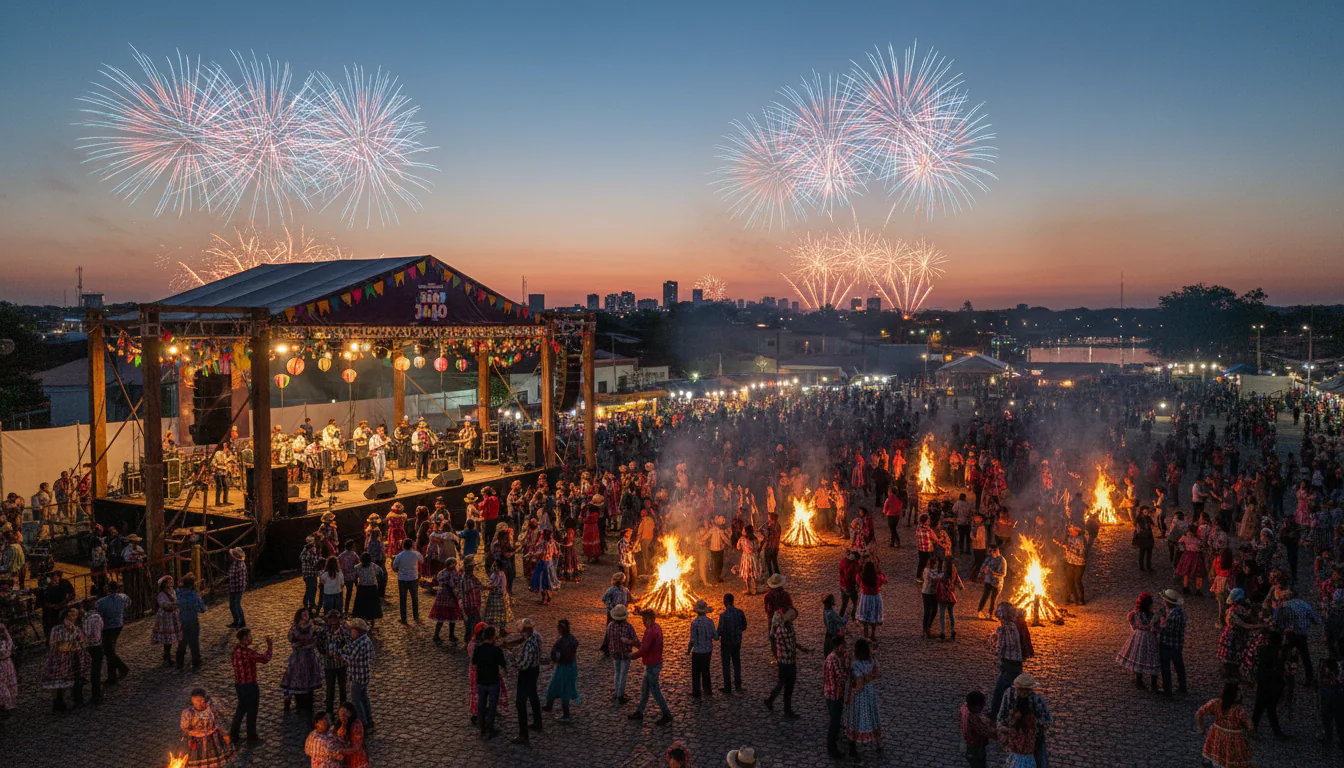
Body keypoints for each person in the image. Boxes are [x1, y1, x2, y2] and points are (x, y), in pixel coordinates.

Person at [996, 673, 1052, 768]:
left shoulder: (1036, 700)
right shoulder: (1008, 694)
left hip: (1032, 741)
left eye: (1027, 690)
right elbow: (1001, 716)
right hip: (1015, 743)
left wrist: (1030, 726)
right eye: (1023, 689)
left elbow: (1048, 721)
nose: (1025, 692)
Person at [628, 608, 673, 725]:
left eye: (645, 619)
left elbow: (644, 649)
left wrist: (632, 656)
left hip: (652, 664)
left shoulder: (649, 632)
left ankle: (667, 714)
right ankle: (639, 711)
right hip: (655, 662)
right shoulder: (657, 628)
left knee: (655, 690)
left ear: (650, 619)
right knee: (645, 689)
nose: (643, 622)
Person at [41, 607, 90, 712]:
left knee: (69, 679)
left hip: (72, 656)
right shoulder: (58, 629)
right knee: (60, 680)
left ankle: (66, 701)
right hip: (60, 657)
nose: (73, 618)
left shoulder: (75, 629)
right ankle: (59, 701)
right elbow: (53, 644)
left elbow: (82, 642)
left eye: (74, 616)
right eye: (70, 616)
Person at [1195, 681, 1253, 768]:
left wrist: (1200, 727)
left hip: (1216, 736)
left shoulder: (1216, 703)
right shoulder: (1239, 710)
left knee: (1216, 761)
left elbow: (1199, 713)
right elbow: (1250, 726)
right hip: (1234, 740)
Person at [228, 627, 272, 743]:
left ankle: (234, 734)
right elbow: (265, 658)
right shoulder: (248, 653)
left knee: (241, 709)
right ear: (245, 639)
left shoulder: (235, 650)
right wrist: (270, 645)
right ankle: (252, 737)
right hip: (250, 685)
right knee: (252, 711)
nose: (251, 639)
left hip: (239, 685)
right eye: (250, 637)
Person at [843, 638, 883, 757]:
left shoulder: (856, 664)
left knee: (856, 718)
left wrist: (854, 689)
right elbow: (877, 673)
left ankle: (853, 744)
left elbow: (859, 683)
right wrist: (868, 679)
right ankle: (877, 743)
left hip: (859, 696)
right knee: (872, 715)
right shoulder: (872, 661)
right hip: (870, 692)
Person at [766, 607, 808, 719]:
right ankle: (786, 711)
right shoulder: (781, 630)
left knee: (784, 684)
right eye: (792, 617)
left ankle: (771, 701)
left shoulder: (789, 627)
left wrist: (802, 649)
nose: (793, 619)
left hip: (790, 660)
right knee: (787, 686)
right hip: (785, 662)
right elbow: (789, 645)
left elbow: (793, 642)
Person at [508, 617, 544, 746]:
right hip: (535, 669)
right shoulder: (536, 636)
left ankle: (523, 734)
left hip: (527, 674)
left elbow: (523, 665)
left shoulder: (529, 645)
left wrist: (512, 660)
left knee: (520, 703)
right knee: (533, 695)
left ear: (525, 633)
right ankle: (537, 722)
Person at [281, 608, 324, 712]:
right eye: (304, 614)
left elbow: (315, 639)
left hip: (309, 656)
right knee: (296, 678)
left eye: (307, 614)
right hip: (298, 657)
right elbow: (291, 639)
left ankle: (308, 703)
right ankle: (299, 703)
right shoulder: (295, 627)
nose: (306, 616)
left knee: (309, 677)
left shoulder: (312, 627)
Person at [179, 687, 234, 768]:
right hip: (197, 744)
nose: (198, 703)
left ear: (204, 699)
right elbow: (185, 728)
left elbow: (220, 723)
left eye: (200, 700)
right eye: (195, 700)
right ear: (192, 700)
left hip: (213, 741)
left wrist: (226, 738)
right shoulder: (188, 713)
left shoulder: (212, 709)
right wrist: (192, 733)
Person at [1117, 592, 1160, 690]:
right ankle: (1154, 684)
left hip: (1138, 636)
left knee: (1139, 657)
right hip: (1150, 638)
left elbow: (1131, 621)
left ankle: (1139, 681)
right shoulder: (1153, 616)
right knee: (1153, 658)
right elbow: (1157, 628)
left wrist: (1136, 629)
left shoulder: (1135, 614)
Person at [1250, 630, 1289, 739]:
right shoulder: (1280, 652)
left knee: (1259, 707)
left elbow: (1255, 664)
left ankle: (1253, 729)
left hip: (1262, 681)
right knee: (1270, 708)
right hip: (1274, 683)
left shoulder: (1261, 649)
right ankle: (1276, 732)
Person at [472, 625, 508, 738]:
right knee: (492, 706)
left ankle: (482, 727)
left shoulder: (478, 648)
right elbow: (503, 664)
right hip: (493, 680)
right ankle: (490, 728)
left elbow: (474, 662)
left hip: (481, 680)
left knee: (481, 704)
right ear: (493, 637)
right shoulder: (496, 650)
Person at [990, 603, 1024, 720]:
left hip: (1008, 663)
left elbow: (1001, 648)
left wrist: (992, 644)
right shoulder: (1014, 626)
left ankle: (996, 714)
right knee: (1013, 691)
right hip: (1017, 663)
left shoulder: (1003, 629)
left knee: (1000, 691)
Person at [94, 580, 131, 685]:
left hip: (107, 627)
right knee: (110, 650)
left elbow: (98, 613)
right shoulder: (123, 597)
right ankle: (112, 676)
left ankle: (122, 668)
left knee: (108, 651)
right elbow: (128, 604)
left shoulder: (101, 602)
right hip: (118, 625)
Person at [545, 618, 580, 722]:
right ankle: (549, 706)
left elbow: (558, 654)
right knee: (556, 686)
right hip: (569, 667)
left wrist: (556, 658)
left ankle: (566, 715)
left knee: (563, 690)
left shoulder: (562, 641)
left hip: (565, 668)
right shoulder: (572, 639)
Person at [343, 619, 375, 727]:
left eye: (352, 630)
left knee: (356, 701)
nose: (351, 632)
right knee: (364, 698)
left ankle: (363, 723)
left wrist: (342, 655)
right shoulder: (366, 640)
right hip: (365, 674)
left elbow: (350, 659)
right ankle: (369, 719)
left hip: (357, 676)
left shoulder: (359, 643)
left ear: (356, 631)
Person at [822, 630, 849, 758]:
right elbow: (840, 676)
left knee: (835, 720)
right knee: (834, 722)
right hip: (834, 694)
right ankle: (832, 748)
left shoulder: (835, 657)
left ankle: (833, 743)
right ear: (838, 646)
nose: (845, 648)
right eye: (844, 646)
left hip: (832, 692)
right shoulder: (834, 659)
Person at [605, 605, 640, 703]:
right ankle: (620, 695)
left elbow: (608, 638)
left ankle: (617, 693)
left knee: (617, 673)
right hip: (625, 654)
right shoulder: (628, 626)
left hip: (614, 653)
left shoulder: (610, 626)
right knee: (623, 674)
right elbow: (635, 639)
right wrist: (641, 648)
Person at [317, 610, 348, 715]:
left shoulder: (343, 631)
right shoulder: (323, 632)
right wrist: (326, 652)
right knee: (330, 689)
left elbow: (347, 645)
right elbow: (319, 645)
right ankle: (329, 711)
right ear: (328, 620)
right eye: (331, 619)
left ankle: (344, 711)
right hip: (329, 665)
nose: (333, 621)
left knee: (342, 688)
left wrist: (340, 653)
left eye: (336, 619)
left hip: (341, 665)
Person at [1158, 589, 1188, 696]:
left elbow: (1166, 630)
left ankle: (1167, 691)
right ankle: (1182, 686)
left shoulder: (1173, 616)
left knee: (1165, 667)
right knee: (1179, 665)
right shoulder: (1182, 612)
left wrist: (1158, 627)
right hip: (1178, 643)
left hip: (1167, 644)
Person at [717, 593, 747, 693]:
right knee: (736, 663)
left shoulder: (723, 615)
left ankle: (728, 687)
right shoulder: (740, 612)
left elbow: (720, 630)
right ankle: (738, 685)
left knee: (726, 664)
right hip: (737, 641)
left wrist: (716, 635)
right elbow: (744, 626)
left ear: (725, 602)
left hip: (726, 642)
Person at [176, 573, 207, 670]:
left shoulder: (178, 592)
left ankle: (179, 662)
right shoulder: (194, 595)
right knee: (194, 641)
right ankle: (196, 662)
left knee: (182, 641)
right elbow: (202, 609)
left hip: (182, 619)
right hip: (193, 619)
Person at [152, 574, 183, 666]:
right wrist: (174, 605)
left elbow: (176, 601)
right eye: (169, 582)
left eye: (171, 581)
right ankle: (166, 656)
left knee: (171, 637)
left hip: (173, 616)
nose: (171, 583)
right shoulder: (161, 594)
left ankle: (168, 656)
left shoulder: (173, 591)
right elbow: (163, 604)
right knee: (167, 638)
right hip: (166, 617)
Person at [960, 690, 997, 768]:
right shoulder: (974, 718)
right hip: (976, 746)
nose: (983, 708)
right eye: (982, 705)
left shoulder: (964, 707)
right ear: (977, 706)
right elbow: (987, 732)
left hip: (969, 742)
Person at [999, 697, 1038, 768]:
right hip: (1029, 757)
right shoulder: (1032, 721)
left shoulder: (1017, 728)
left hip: (1018, 758)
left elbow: (1016, 745)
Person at [78, 596, 104, 704]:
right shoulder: (95, 617)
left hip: (86, 646)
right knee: (95, 671)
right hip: (95, 646)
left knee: (84, 670)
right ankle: (96, 694)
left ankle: (79, 696)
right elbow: (95, 634)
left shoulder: (84, 617)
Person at [392, 537, 424, 623]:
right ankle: (416, 616)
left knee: (403, 599)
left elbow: (394, 566)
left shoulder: (399, 555)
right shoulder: (416, 554)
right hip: (413, 578)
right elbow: (422, 560)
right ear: (412, 545)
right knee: (414, 598)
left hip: (402, 579)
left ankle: (403, 618)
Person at [688, 599, 715, 697]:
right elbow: (715, 636)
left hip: (697, 651)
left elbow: (693, 639)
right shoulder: (710, 621)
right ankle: (707, 690)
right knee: (706, 670)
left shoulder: (694, 623)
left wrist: (688, 650)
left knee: (696, 672)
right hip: (707, 651)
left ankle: (696, 691)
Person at [350, 552, 384, 629]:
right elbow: (380, 572)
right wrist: (378, 580)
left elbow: (353, 575)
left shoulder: (357, 567)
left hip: (362, 588)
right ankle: (372, 621)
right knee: (372, 605)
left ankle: (364, 621)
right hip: (372, 588)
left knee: (363, 605)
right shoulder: (373, 566)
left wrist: (356, 582)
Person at [857, 560, 886, 641]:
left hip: (865, 598)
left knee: (865, 616)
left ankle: (865, 635)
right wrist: (880, 571)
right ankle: (873, 634)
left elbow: (857, 579)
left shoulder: (862, 577)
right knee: (874, 615)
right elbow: (884, 580)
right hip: (875, 597)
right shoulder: (877, 577)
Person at [335, 702, 369, 768]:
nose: (342, 716)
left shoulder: (356, 725)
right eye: (341, 712)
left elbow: (356, 747)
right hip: (347, 760)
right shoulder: (339, 723)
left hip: (357, 760)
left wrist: (341, 751)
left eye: (345, 713)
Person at [977, 544, 1006, 618]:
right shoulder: (989, 558)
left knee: (994, 598)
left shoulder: (1002, 560)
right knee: (985, 596)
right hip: (988, 580)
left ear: (996, 551)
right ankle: (980, 611)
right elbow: (983, 566)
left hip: (997, 582)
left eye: (991, 551)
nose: (989, 553)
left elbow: (1003, 573)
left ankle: (991, 614)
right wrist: (980, 574)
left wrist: (993, 573)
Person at [300, 536, 323, 614]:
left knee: (313, 589)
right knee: (310, 589)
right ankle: (308, 604)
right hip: (308, 574)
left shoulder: (312, 551)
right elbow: (309, 559)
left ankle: (311, 603)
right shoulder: (306, 551)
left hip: (313, 573)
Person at [227, 547, 248, 628]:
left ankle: (240, 621)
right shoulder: (238, 563)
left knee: (235, 605)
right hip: (235, 587)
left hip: (237, 588)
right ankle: (237, 621)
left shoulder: (238, 565)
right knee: (234, 605)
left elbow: (235, 577)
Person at [0, 622, 16, 716]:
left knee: (8, 681)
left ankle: (6, 704)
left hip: (6, 660)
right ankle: (3, 705)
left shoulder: (1, 627)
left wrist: (7, 651)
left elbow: (8, 640)